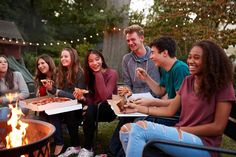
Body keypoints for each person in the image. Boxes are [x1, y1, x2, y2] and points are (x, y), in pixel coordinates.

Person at [119, 40, 236, 157]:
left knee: (140, 128)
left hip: (204, 144)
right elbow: (169, 110)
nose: (190, 61)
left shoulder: (223, 86)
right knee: (126, 130)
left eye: (196, 57)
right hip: (181, 135)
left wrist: (180, 130)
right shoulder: (188, 81)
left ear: (210, 61)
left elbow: (218, 128)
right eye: (190, 57)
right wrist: (137, 108)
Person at [108, 24, 161, 157]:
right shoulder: (127, 59)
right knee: (116, 137)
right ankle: (113, 151)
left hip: (151, 102)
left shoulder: (154, 56)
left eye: (133, 39)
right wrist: (126, 90)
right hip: (133, 100)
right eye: (128, 40)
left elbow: (159, 87)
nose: (130, 43)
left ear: (142, 38)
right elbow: (127, 84)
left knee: (133, 130)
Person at [135, 36, 189, 125]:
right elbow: (160, 91)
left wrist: (153, 102)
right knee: (138, 118)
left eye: (153, 53)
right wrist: (146, 78)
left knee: (140, 122)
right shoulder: (165, 69)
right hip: (169, 112)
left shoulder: (180, 69)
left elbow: (180, 102)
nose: (151, 57)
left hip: (179, 118)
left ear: (164, 53)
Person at [73, 49, 117, 157]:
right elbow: (92, 99)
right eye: (91, 61)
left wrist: (98, 73)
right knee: (79, 110)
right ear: (88, 63)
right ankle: (75, 145)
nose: (95, 63)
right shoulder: (89, 75)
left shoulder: (112, 73)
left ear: (102, 59)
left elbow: (105, 97)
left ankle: (88, 148)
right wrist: (83, 97)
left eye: (97, 59)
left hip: (109, 108)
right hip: (94, 108)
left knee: (91, 109)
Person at [43, 47, 85, 156]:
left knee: (70, 113)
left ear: (73, 57)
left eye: (66, 56)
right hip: (62, 105)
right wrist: (50, 88)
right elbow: (56, 91)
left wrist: (58, 92)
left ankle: (76, 146)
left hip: (77, 106)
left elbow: (77, 96)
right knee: (51, 112)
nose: (63, 59)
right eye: (61, 57)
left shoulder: (80, 73)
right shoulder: (59, 72)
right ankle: (59, 142)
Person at [0, 55, 29, 120]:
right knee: (4, 112)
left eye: (5, 62)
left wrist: (3, 99)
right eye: (0, 62)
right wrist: (17, 97)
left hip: (19, 105)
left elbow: (25, 93)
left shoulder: (17, 75)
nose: (3, 63)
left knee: (5, 115)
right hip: (5, 107)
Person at [34, 54, 56, 121]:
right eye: (38, 64)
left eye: (43, 63)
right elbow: (38, 97)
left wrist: (50, 89)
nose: (40, 66)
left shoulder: (58, 75)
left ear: (49, 63)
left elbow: (60, 93)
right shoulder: (39, 78)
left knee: (53, 117)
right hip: (43, 108)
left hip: (56, 107)